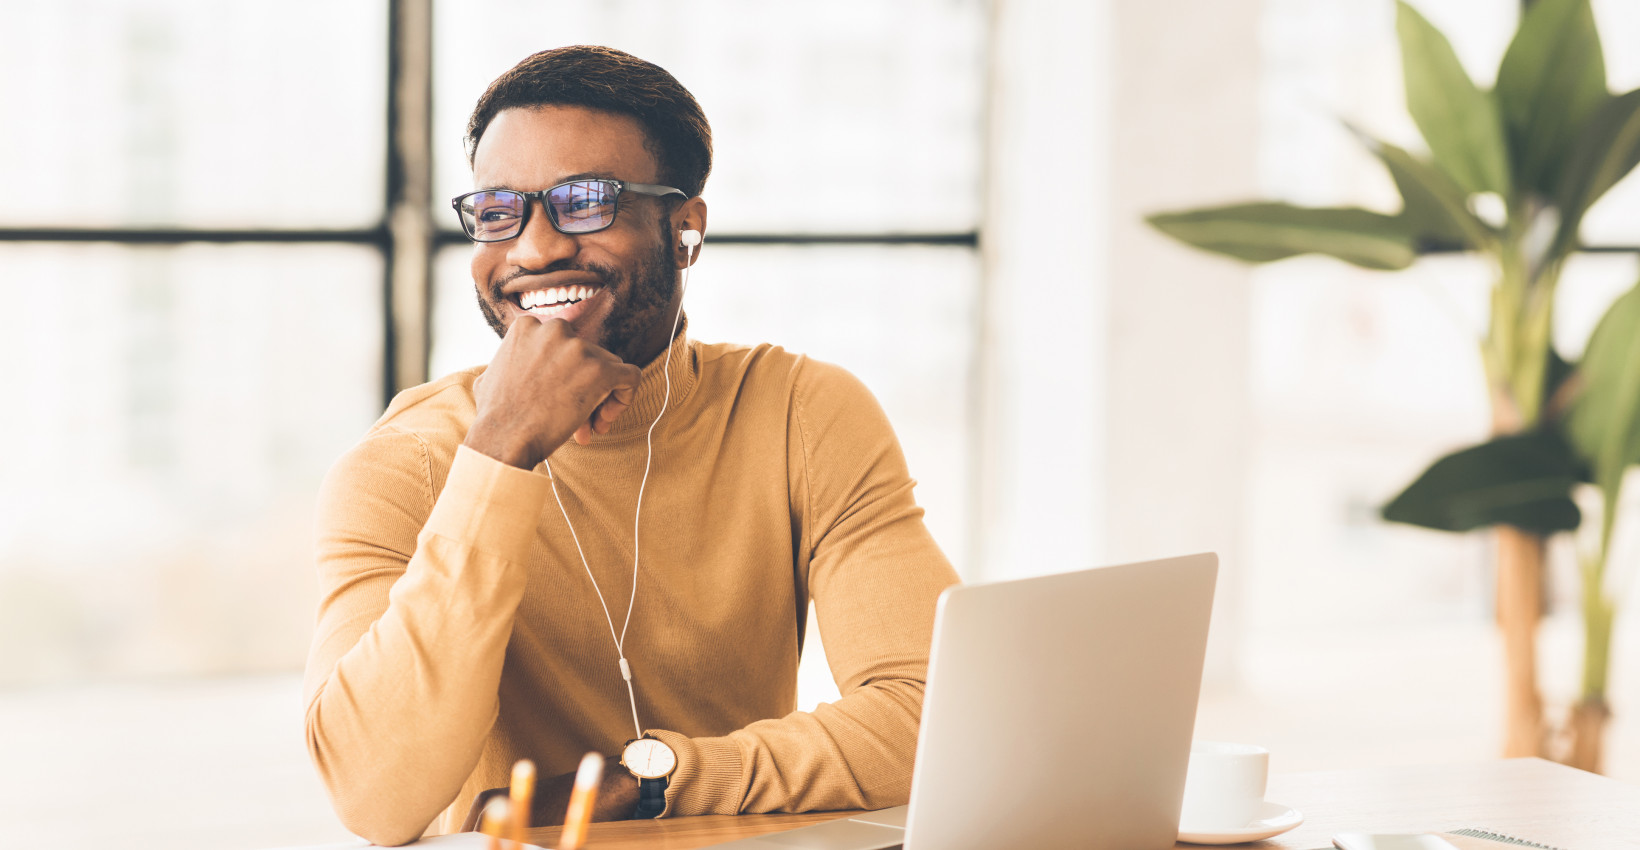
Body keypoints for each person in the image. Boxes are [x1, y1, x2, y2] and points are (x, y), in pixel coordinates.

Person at [301, 45, 959, 846]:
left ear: (685, 227)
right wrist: (500, 451)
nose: (535, 250)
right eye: (499, 210)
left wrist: (650, 782)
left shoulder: (798, 413)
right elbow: (374, 798)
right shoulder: (402, 465)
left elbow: (937, 716)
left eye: (586, 202)